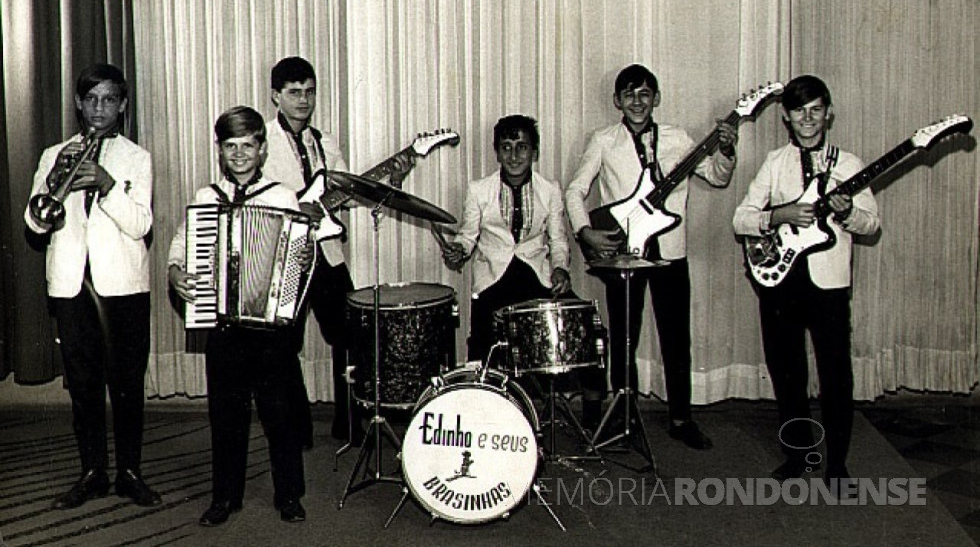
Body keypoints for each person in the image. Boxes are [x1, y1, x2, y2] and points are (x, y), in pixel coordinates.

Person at [565, 63, 738, 448]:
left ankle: (681, 418)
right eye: (629, 94)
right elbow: (576, 191)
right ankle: (623, 417)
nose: (637, 101)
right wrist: (586, 232)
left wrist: (725, 148)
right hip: (623, 253)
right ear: (616, 101)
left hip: (671, 253)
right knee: (624, 336)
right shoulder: (604, 141)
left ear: (656, 98)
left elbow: (718, 175)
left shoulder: (679, 139)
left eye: (645, 94)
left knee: (677, 338)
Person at [24, 63, 161, 509]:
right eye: (91, 100)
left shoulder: (136, 158)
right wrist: (50, 185)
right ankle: (91, 472)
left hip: (121, 285)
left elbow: (140, 225)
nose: (99, 109)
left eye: (109, 100)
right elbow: (35, 220)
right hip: (70, 284)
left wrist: (106, 186)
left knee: (125, 382)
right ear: (79, 105)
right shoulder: (52, 154)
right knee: (82, 385)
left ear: (122, 106)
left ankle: (130, 472)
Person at [733, 75, 879, 487]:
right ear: (786, 117)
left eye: (816, 109)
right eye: (799, 111)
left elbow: (871, 225)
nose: (808, 118)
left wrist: (848, 212)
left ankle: (837, 464)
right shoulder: (775, 162)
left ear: (828, 113)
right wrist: (778, 216)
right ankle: (798, 455)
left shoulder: (848, 164)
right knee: (786, 371)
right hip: (780, 283)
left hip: (829, 285)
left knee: (836, 375)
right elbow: (741, 217)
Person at [168, 106, 311, 525]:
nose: (240, 154)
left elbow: (301, 259)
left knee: (278, 413)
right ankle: (224, 497)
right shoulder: (206, 197)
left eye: (248, 145)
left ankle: (289, 494)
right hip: (224, 326)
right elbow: (180, 243)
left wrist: (287, 286)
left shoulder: (283, 197)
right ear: (220, 149)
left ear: (262, 149)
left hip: (270, 331)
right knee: (225, 415)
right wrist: (176, 271)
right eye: (231, 146)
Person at [262, 57, 414, 446]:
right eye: (294, 92)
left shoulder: (324, 142)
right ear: (276, 96)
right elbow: (255, 199)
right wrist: (295, 207)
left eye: (309, 92)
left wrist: (389, 177)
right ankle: (295, 427)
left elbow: (344, 197)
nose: (303, 100)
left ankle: (348, 421)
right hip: (287, 253)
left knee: (349, 335)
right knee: (283, 341)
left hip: (328, 251)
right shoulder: (261, 142)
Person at [440, 115, 572, 364]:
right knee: (482, 349)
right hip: (493, 280)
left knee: (583, 329)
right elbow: (468, 236)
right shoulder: (478, 190)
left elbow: (558, 240)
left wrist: (561, 269)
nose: (514, 156)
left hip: (537, 278)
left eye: (522, 147)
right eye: (506, 148)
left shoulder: (550, 190)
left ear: (534, 152)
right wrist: (458, 249)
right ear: (497, 153)